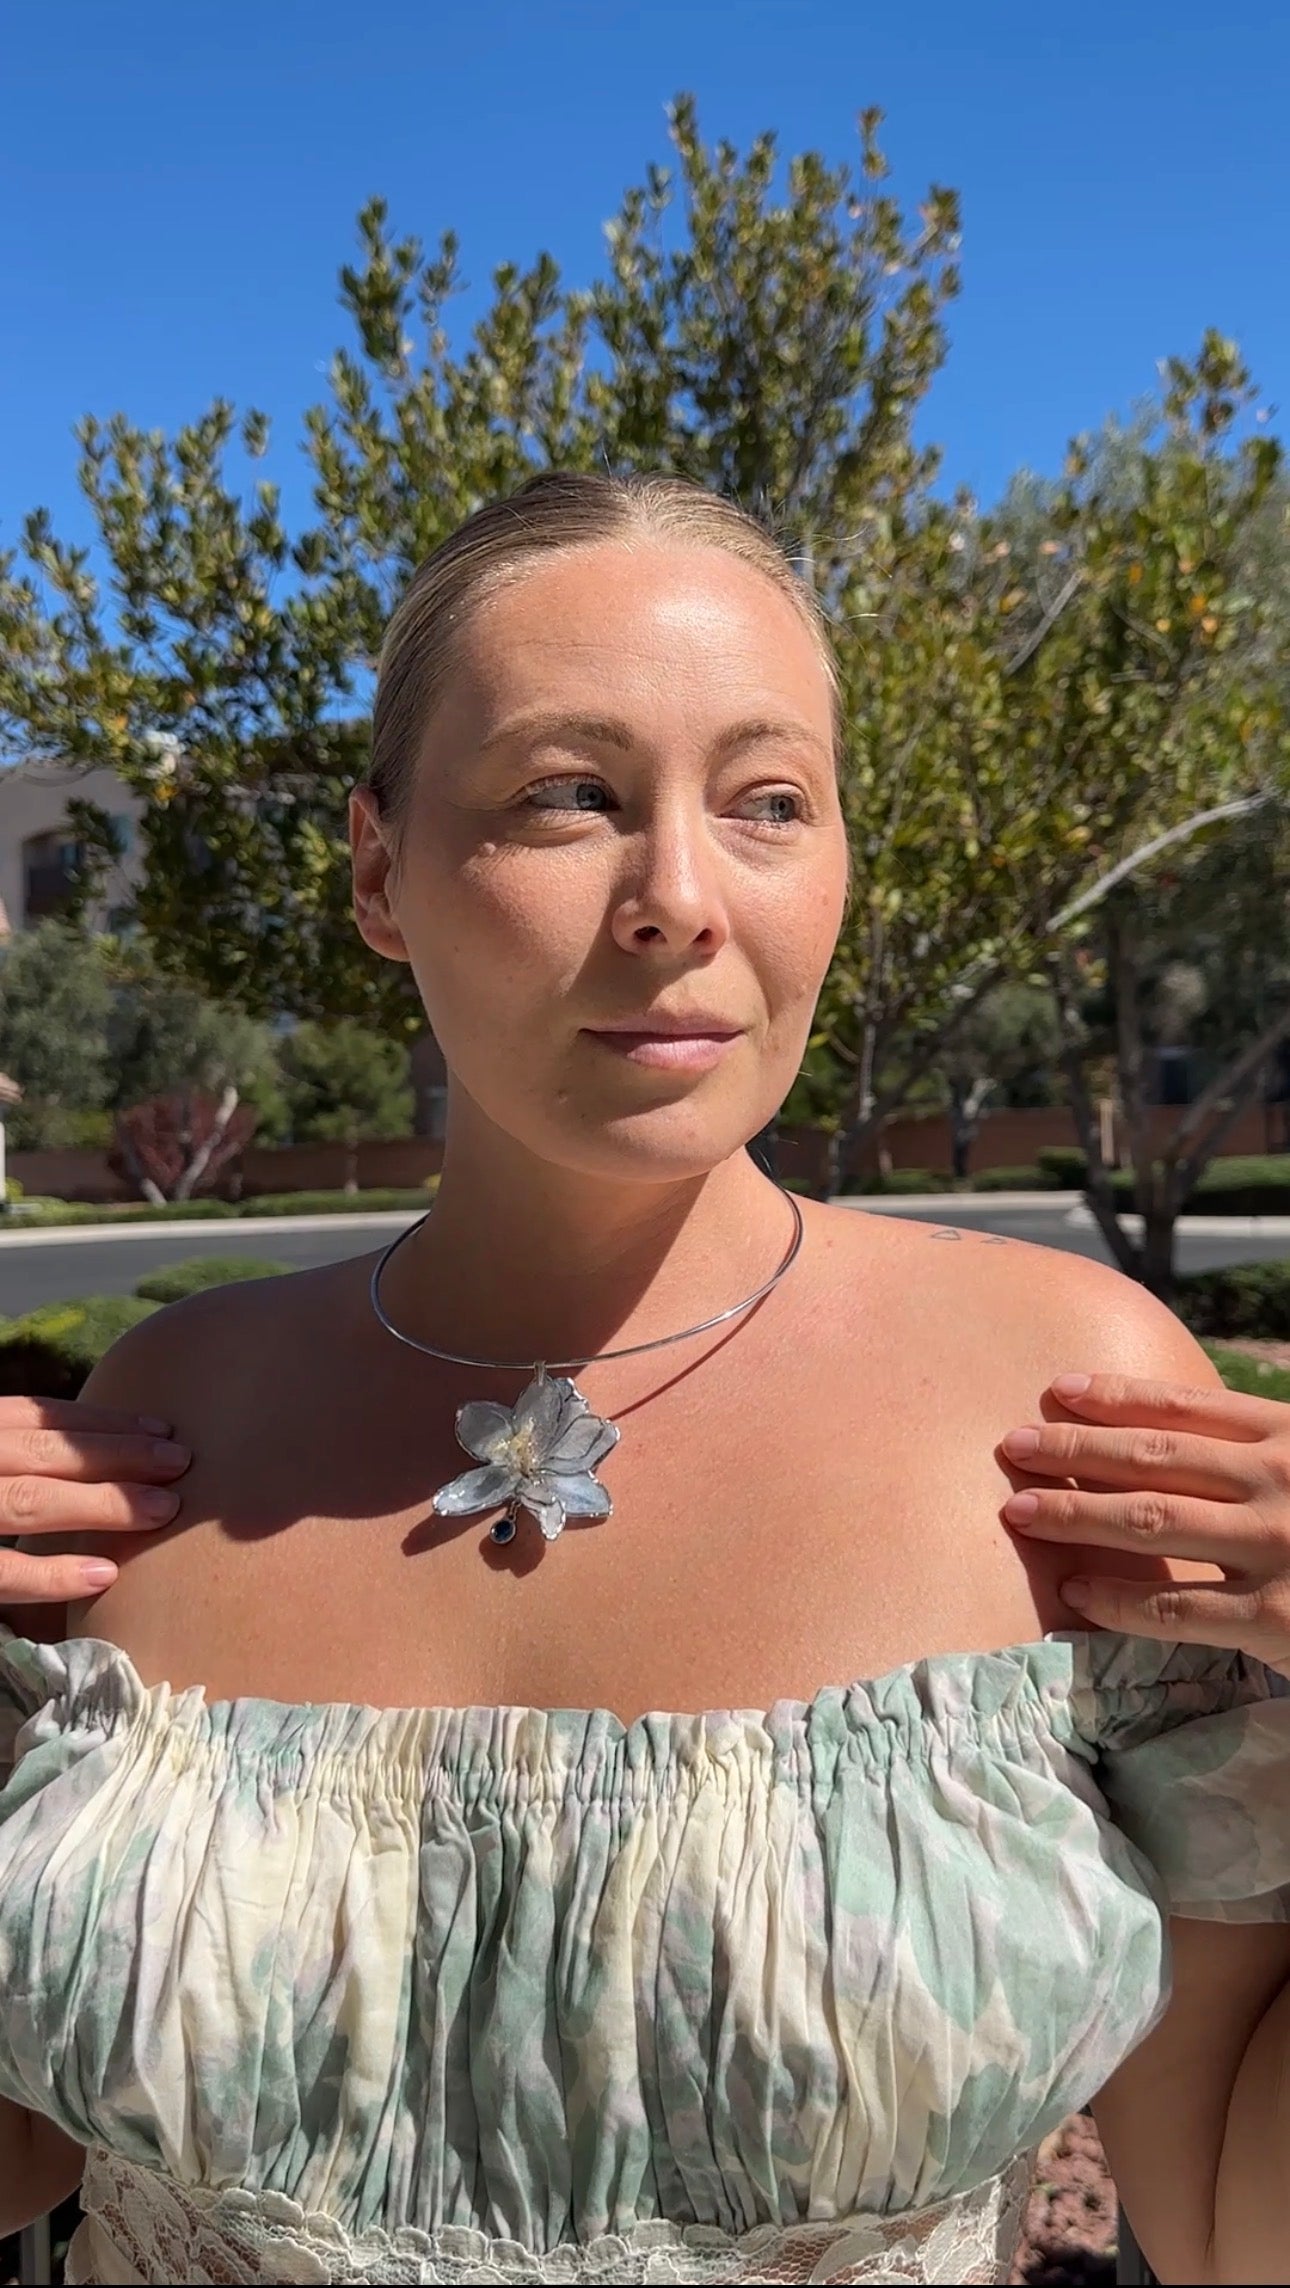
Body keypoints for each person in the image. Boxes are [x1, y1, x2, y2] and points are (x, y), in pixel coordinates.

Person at [1, 470, 1287, 2287]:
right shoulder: (166, 1421)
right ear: (378, 872)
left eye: (766, 802)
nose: (677, 898)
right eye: (568, 796)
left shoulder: (1070, 1411)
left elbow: (1227, 2215)